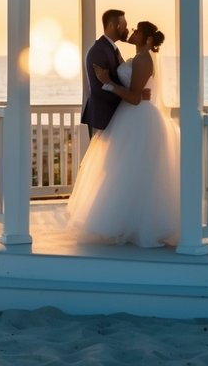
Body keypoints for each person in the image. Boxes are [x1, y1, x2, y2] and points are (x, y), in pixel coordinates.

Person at [66, 20, 180, 247]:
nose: (133, 32)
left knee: (135, 174)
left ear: (147, 39)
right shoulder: (135, 58)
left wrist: (107, 82)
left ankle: (138, 226)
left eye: (137, 30)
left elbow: (136, 97)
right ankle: (123, 224)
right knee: (123, 171)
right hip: (127, 118)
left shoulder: (144, 59)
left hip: (139, 120)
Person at [81, 9, 130, 136]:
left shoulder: (111, 49)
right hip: (103, 117)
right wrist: (127, 98)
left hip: (112, 116)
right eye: (124, 24)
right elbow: (100, 88)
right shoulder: (99, 51)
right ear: (111, 25)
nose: (126, 28)